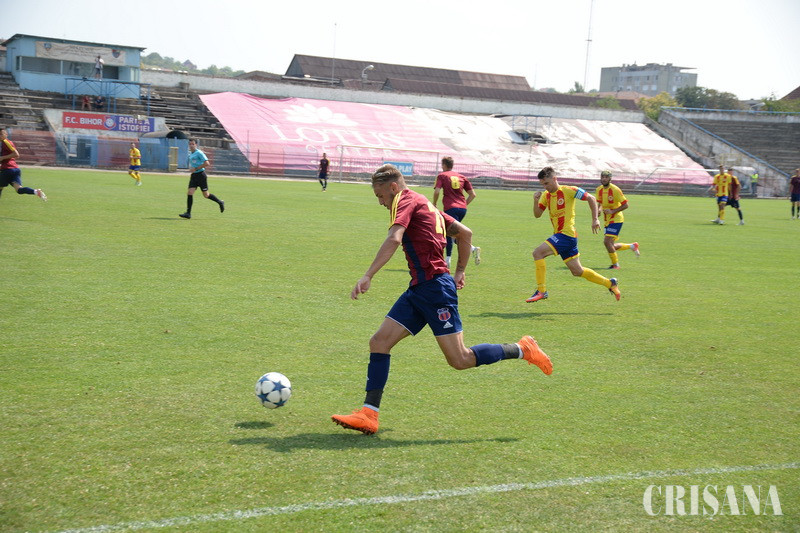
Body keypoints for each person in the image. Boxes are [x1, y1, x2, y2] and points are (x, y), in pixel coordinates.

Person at [331, 164, 553, 435]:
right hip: (420, 288)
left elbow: (394, 238)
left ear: (393, 187)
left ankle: (522, 349)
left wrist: (368, 275)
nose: (380, 202)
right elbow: (465, 233)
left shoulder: (404, 199)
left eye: (380, 196)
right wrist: (459, 271)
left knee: (460, 359)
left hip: (435, 290)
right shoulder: (424, 203)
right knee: (379, 342)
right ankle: (369, 414)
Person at [526, 166, 620, 303]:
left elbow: (591, 198)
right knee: (577, 271)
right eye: (542, 185)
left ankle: (541, 291)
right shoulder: (546, 195)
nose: (545, 187)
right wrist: (535, 201)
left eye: (547, 183)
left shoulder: (569, 190)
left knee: (537, 253)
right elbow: (537, 214)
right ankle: (610, 283)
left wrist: (595, 219)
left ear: (554, 178)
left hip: (566, 234)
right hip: (564, 237)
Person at [432, 156, 481, 268]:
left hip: (450, 208)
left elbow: (437, 191)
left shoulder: (442, 175)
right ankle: (472, 249)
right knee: (455, 233)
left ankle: (448, 260)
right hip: (462, 209)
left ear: (444, 165)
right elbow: (473, 194)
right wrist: (463, 204)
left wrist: (434, 203)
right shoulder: (461, 176)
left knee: (448, 233)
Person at [595, 170, 640, 269]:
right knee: (611, 245)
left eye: (606, 177)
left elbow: (626, 205)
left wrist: (612, 211)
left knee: (607, 242)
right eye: (602, 177)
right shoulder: (599, 189)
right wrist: (599, 210)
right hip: (607, 220)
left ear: (610, 179)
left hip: (616, 219)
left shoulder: (615, 189)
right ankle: (632, 246)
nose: (604, 179)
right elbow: (600, 203)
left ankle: (615, 265)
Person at [179, 138, 225, 219]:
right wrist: (192, 169)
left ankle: (220, 202)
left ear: (196, 145)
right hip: (194, 176)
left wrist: (196, 168)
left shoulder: (199, 153)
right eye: (190, 144)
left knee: (206, 195)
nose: (191, 145)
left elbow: (207, 163)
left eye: (193, 144)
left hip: (201, 175)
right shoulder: (191, 154)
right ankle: (188, 213)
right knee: (190, 193)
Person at [0, 128, 47, 203]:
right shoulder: (4, 143)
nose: (0, 136)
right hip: (15, 170)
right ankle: (36, 191)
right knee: (19, 190)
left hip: (8, 170)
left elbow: (16, 154)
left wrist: (3, 157)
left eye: (1, 134)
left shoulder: (5, 142)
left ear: (6, 135)